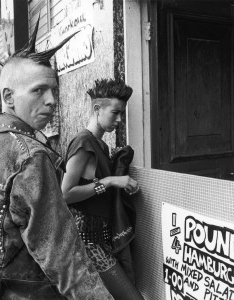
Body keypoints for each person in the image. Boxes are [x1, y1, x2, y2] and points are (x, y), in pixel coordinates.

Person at [0, 19, 113, 300]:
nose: (52, 100)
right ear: (8, 97)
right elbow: (63, 257)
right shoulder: (29, 156)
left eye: (54, 90)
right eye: (39, 90)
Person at [61, 78, 144, 300]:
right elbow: (65, 194)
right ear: (97, 108)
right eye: (115, 112)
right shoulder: (83, 143)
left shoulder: (101, 145)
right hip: (88, 242)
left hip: (102, 238)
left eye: (122, 114)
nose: (119, 120)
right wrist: (110, 182)